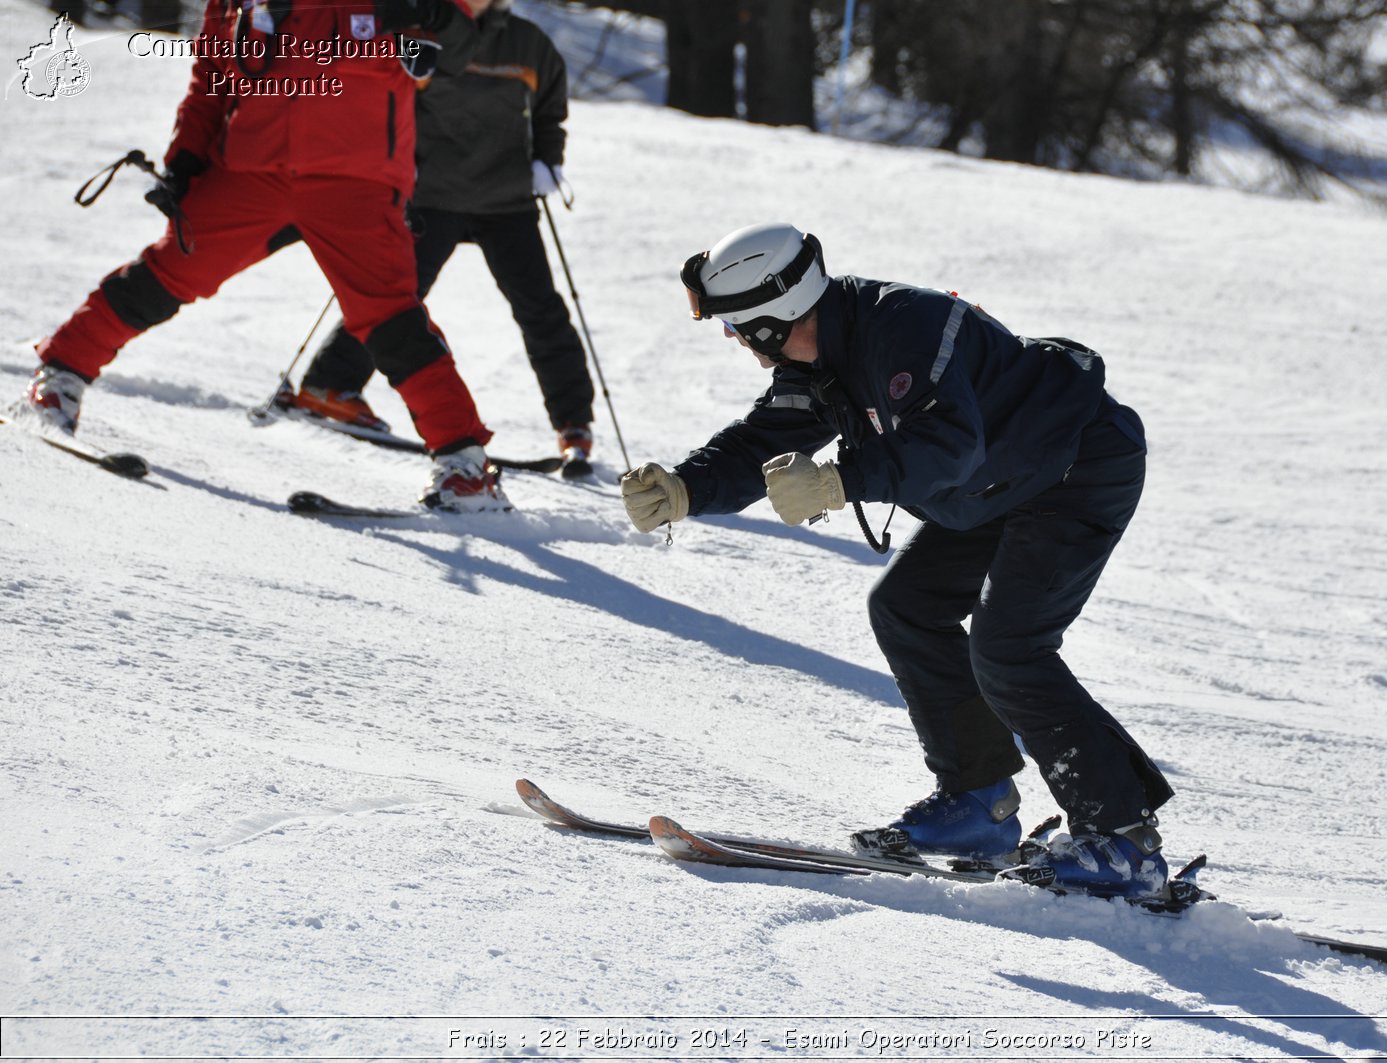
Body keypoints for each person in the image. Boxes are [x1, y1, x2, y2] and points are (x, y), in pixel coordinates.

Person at [620, 223, 1173, 897]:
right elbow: (764, 440)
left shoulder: (902, 328)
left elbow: (947, 443)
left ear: (774, 318)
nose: (734, 340)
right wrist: (685, 487)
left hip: (1075, 468)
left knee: (1010, 648)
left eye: (738, 326)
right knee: (907, 607)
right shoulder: (818, 359)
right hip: (995, 487)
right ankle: (979, 804)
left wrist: (837, 480)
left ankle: (1122, 839)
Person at [23, 0, 511, 511]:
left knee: (391, 319)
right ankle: (58, 377)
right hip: (250, 171)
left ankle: (466, 469)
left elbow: (455, 53)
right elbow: (211, 76)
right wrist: (185, 161)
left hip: (356, 180)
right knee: (166, 275)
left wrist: (434, 16)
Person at [277, 2, 597, 474]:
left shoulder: (530, 43)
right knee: (391, 302)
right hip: (432, 197)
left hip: (506, 202)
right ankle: (329, 387)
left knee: (542, 311)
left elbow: (550, 110)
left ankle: (574, 425)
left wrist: (547, 160)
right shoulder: (424, 28)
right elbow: (392, 99)